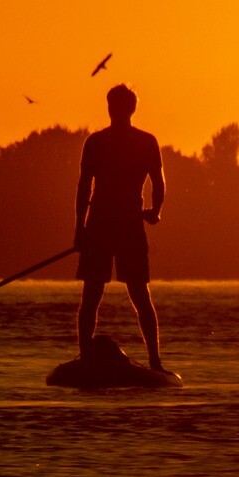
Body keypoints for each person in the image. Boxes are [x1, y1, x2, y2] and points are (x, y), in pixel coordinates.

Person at [74, 83, 167, 371]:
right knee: (115, 294)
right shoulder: (131, 141)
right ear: (132, 109)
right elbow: (159, 183)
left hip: (113, 225)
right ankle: (148, 360)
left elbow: (83, 189)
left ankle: (152, 361)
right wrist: (155, 211)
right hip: (111, 225)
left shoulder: (102, 141)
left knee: (105, 294)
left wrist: (79, 228)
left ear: (112, 108)